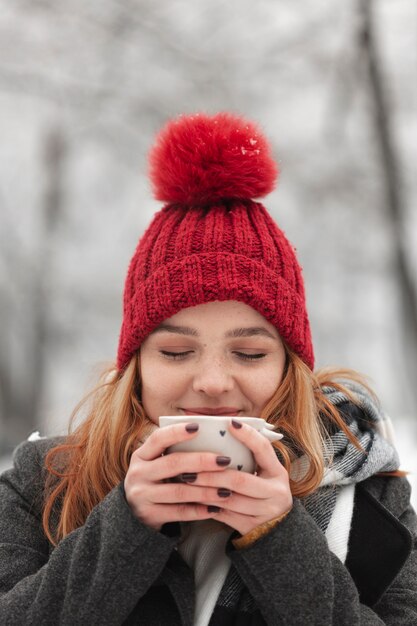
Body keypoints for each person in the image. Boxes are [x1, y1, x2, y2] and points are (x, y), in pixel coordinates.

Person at [0, 112, 416, 626]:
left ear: (291, 367)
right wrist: (126, 529)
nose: (214, 382)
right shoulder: (46, 485)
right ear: (136, 366)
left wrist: (280, 541)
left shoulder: (371, 502)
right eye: (175, 352)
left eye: (250, 354)